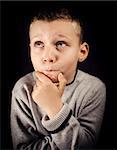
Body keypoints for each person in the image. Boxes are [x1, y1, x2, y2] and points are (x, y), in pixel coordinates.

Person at [11, 7, 106, 150]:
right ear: (30, 49)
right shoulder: (23, 89)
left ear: (82, 51)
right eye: (39, 44)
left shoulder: (93, 88)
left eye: (60, 44)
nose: (48, 57)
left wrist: (54, 108)